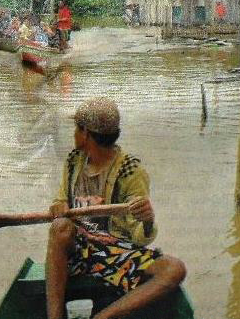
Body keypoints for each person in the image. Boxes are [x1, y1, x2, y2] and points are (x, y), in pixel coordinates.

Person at [46, 97, 186, 319]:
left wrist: (148, 220)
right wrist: (58, 206)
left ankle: (103, 317)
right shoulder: (74, 160)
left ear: (86, 135)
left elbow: (139, 239)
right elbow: (60, 199)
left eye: (76, 128)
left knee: (174, 268)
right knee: (60, 227)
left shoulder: (131, 171)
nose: (74, 133)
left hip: (114, 251)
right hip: (77, 248)